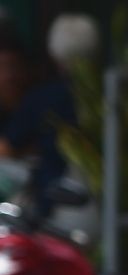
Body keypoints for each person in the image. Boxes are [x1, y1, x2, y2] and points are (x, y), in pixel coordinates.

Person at [0, 15, 94, 209]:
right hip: (106, 203)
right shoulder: (106, 95)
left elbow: (6, 149)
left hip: (55, 206)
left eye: (14, 67)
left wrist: (36, 147)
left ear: (52, 51)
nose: (11, 76)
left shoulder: (45, 97)